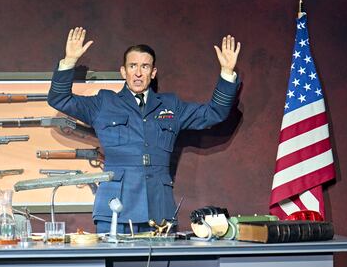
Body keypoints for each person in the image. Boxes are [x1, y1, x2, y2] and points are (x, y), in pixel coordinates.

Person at [48, 27, 241, 234]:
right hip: (115, 208)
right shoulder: (104, 103)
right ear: (123, 71)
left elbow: (214, 113)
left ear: (153, 72)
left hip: (159, 208)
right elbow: (60, 99)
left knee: (160, 266)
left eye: (145, 66)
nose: (138, 73)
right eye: (132, 66)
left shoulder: (171, 105)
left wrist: (227, 73)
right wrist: (69, 61)